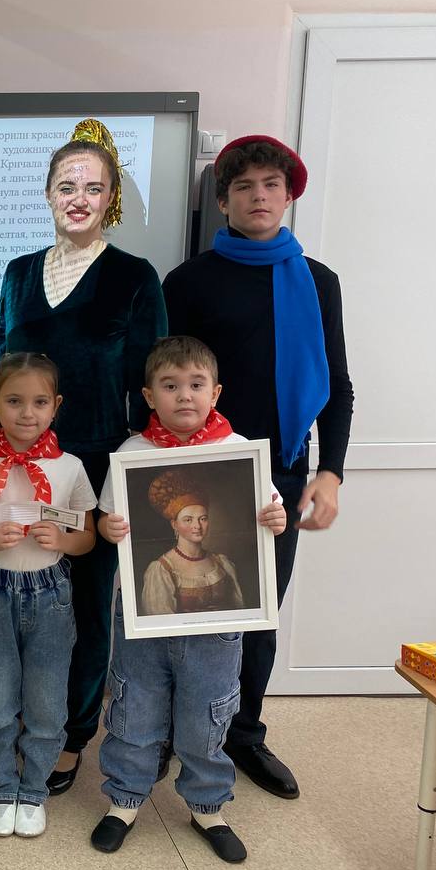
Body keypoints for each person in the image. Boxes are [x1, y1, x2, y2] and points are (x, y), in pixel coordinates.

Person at [162, 135, 354, 800]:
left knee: (258, 613)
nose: (259, 196)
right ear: (223, 201)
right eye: (243, 186)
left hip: (283, 473)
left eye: (272, 184)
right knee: (184, 604)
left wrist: (331, 473)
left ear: (289, 194)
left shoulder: (318, 282)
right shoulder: (188, 281)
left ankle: (242, 734)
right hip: (199, 471)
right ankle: (169, 732)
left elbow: (337, 385)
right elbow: (162, 381)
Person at [0, 119, 166, 794]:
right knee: (17, 600)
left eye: (93, 187)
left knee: (85, 610)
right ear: (49, 194)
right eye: (67, 186)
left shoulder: (135, 277)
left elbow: (152, 387)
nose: (78, 198)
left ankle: (71, 734)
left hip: (93, 470)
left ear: (110, 198)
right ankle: (21, 720)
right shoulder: (18, 273)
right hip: (18, 469)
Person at [90, 335, 286, 863]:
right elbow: (108, 522)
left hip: (217, 630)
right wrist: (109, 528)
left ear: (215, 392)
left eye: (196, 385)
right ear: (149, 395)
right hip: (143, 623)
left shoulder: (238, 449)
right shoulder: (133, 454)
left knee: (207, 713)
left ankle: (207, 807)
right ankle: (124, 800)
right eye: (170, 386)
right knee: (135, 706)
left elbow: (270, 512)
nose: (184, 396)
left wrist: (276, 517)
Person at [0, 352, 96, 839]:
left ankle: (34, 791)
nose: (26, 413)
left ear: (56, 406)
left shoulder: (70, 467)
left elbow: (88, 536)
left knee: (47, 702)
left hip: (51, 594)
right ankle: (2, 787)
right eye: (13, 401)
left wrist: (64, 542)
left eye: (39, 403)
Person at [140, 468, 245, 616]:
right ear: (174, 524)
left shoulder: (221, 562)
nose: (197, 526)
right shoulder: (162, 569)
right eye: (188, 520)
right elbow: (162, 623)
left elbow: (239, 610)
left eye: (203, 519)